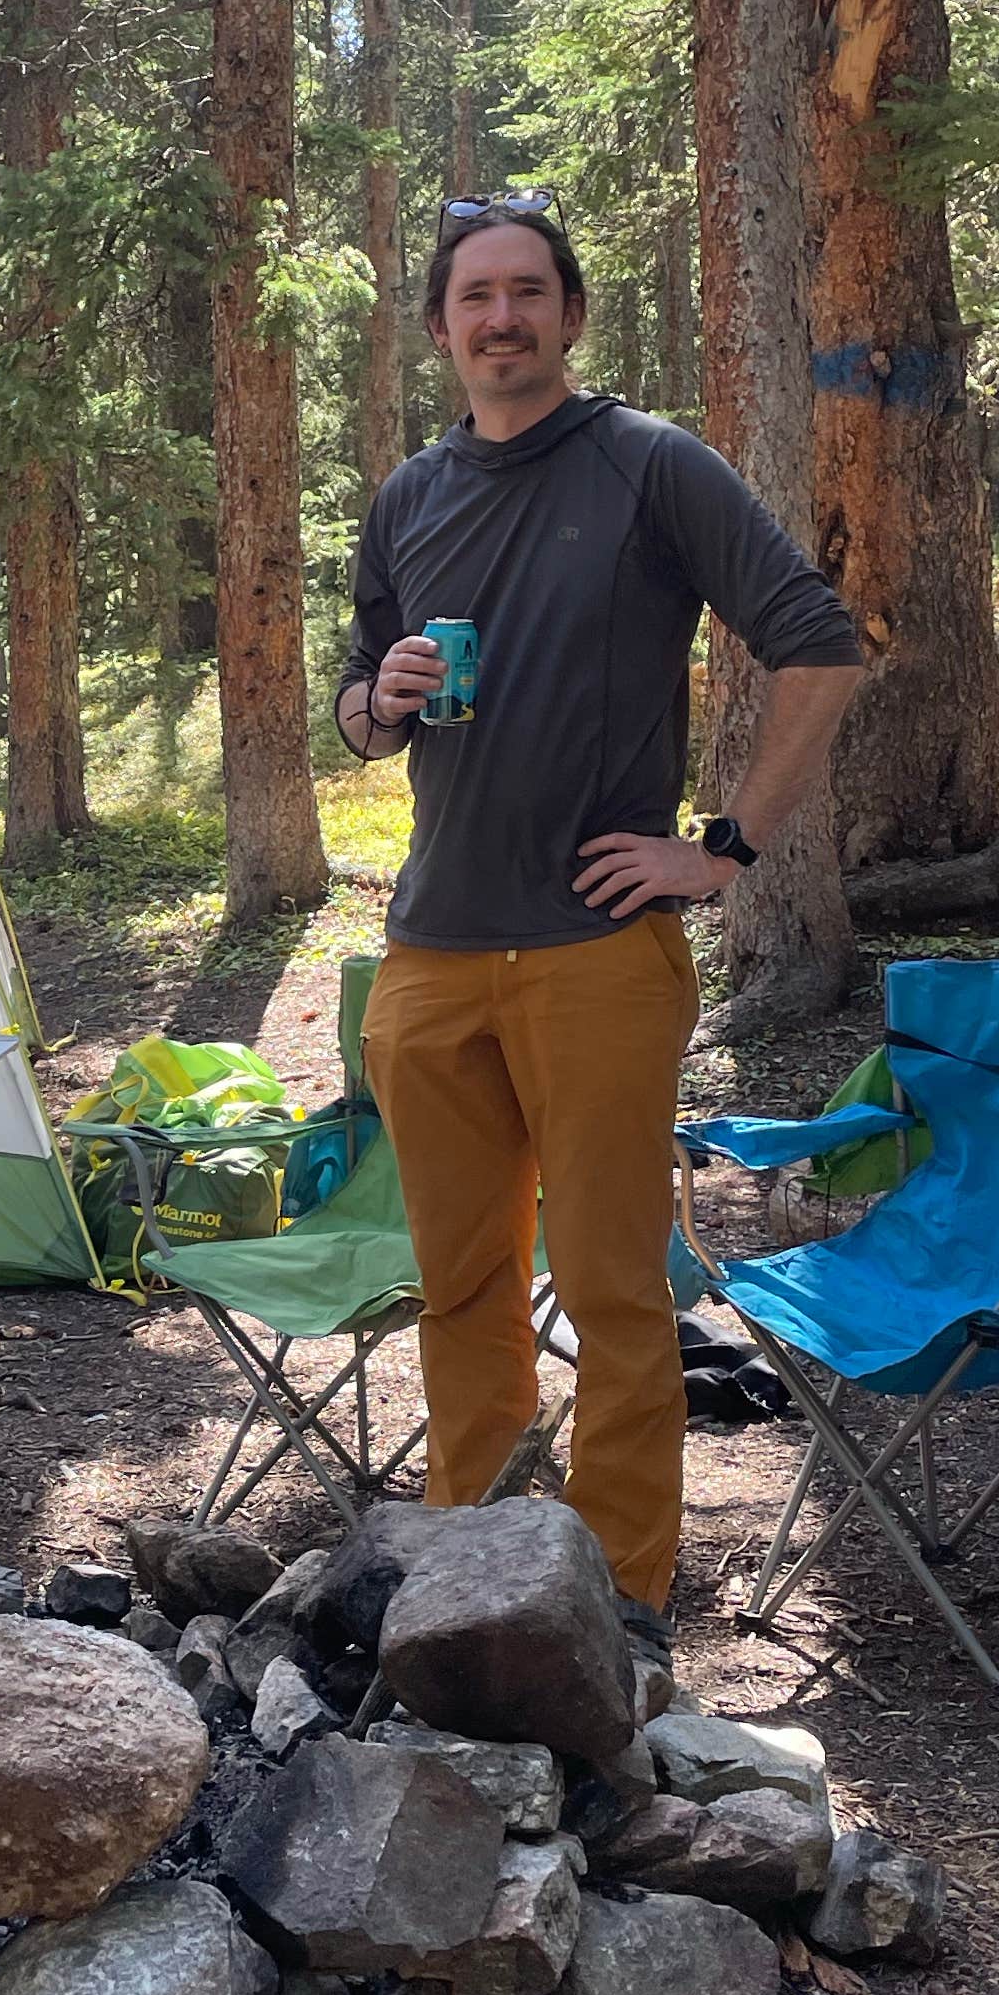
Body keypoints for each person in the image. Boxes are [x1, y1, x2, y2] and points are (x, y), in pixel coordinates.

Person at [335, 195, 866, 1630]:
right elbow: (357, 711)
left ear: (569, 315)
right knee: (459, 1294)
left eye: (526, 293)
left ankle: (617, 1602)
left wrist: (728, 846)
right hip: (432, 955)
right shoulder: (406, 498)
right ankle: (466, 1580)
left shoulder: (647, 467)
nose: (500, 318)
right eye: (474, 298)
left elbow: (819, 646)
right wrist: (372, 705)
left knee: (618, 1296)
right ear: (443, 327)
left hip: (596, 958)